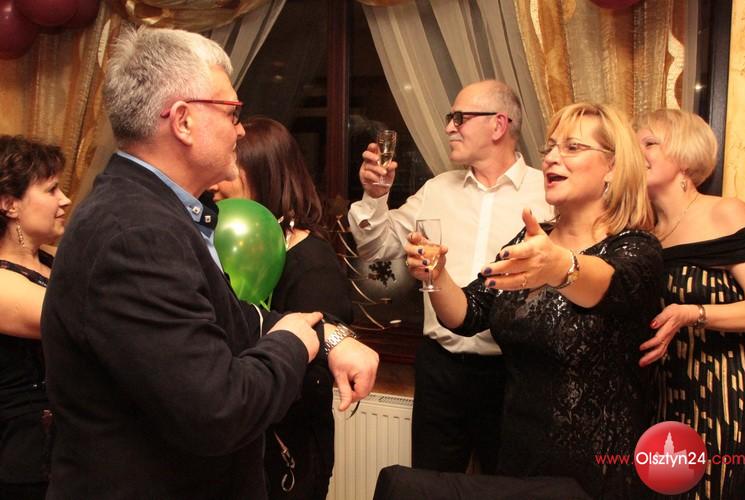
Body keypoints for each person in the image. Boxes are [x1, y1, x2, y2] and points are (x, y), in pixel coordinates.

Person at [40, 27, 377, 500]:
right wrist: (293, 345)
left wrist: (328, 338)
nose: (240, 129)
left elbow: (234, 317)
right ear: (182, 121)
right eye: (232, 112)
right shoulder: (136, 235)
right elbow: (218, 411)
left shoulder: (158, 212)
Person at [392, 102, 662, 498]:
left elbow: (607, 284)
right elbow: (467, 314)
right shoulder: (532, 240)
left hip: (597, 465)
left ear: (613, 167)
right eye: (550, 147)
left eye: (572, 147)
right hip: (519, 454)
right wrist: (436, 275)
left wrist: (560, 266)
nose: (551, 157)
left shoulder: (637, 248)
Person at [348, 80, 553, 473]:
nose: (448, 128)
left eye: (459, 118)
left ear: (498, 125)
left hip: (514, 372)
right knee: (431, 485)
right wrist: (375, 196)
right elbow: (379, 251)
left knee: (509, 487)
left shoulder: (545, 195)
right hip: (440, 370)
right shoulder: (437, 189)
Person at [210, 116, 351, 500]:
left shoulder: (312, 262)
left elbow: (318, 371)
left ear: (263, 174)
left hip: (290, 450)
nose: (216, 181)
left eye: (230, 168)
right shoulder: (224, 246)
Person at [636, 109, 745, 499]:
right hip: (661, 391)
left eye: (650, 143)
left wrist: (694, 313)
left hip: (719, 387)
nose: (637, 153)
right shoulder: (644, 232)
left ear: (685, 156)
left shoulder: (724, 211)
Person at [0, 135, 70, 500]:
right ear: (9, 204)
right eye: (52, 189)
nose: (65, 200)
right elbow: (84, 322)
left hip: (67, 451)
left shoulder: (54, 257)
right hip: (23, 461)